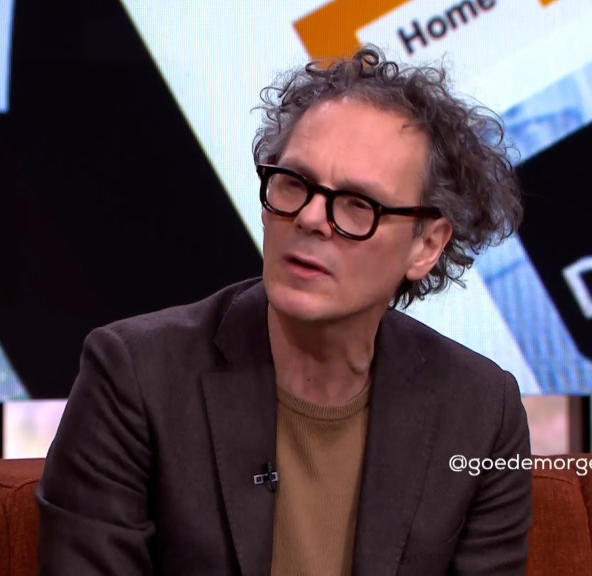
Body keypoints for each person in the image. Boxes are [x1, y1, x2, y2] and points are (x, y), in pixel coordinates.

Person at [36, 45, 531, 575]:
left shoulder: (481, 412)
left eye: (357, 204)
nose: (311, 218)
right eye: (294, 184)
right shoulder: (135, 377)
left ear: (426, 245)